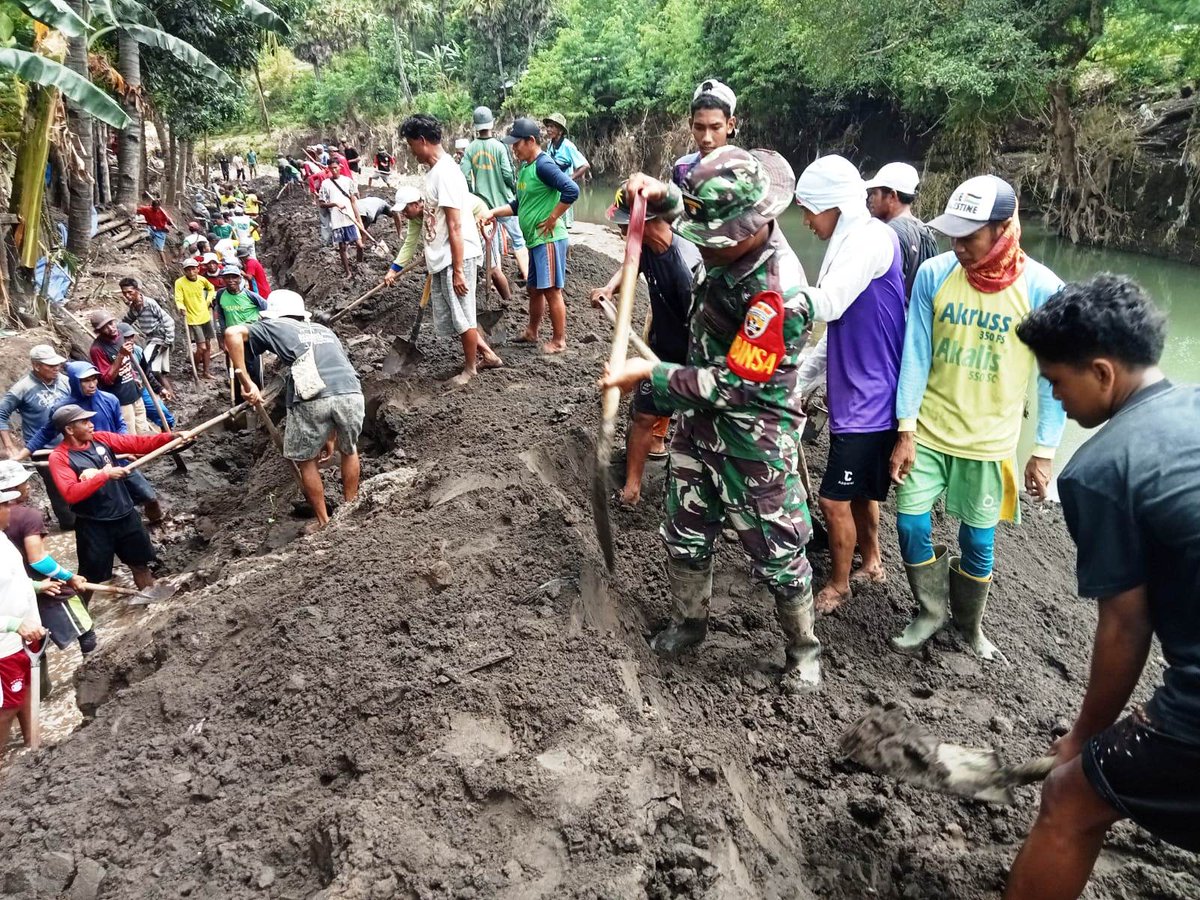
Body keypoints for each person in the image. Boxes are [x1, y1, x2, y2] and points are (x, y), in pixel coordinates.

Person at [1004, 277, 1200, 899]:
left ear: (1102, 372)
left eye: (1056, 383)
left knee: (1070, 797)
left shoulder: (1100, 469)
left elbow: (1125, 624)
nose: (1054, 398)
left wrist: (1085, 736)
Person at [599, 147, 821, 693]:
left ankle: (803, 650)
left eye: (715, 240)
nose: (703, 246)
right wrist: (659, 193)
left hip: (753, 438)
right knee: (685, 530)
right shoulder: (724, 232)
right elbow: (691, 207)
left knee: (777, 550)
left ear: (752, 226)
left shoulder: (777, 295)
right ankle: (689, 623)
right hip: (697, 428)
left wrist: (649, 376)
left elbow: (736, 386)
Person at [889, 175, 1065, 660]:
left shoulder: (1043, 289)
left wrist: (1043, 451)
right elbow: (916, 354)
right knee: (910, 524)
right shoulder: (934, 274)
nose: (958, 245)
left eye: (970, 236)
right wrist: (906, 429)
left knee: (979, 541)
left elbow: (1053, 377)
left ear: (1004, 229)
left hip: (990, 442)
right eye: (953, 234)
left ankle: (969, 626)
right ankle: (929, 611)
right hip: (929, 431)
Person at [793, 155, 907, 613]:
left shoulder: (869, 239)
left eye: (808, 210)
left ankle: (839, 584)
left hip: (870, 398)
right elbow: (835, 332)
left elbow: (830, 305)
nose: (805, 221)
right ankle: (872, 561)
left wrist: (770, 292)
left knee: (832, 498)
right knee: (859, 490)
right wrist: (802, 379)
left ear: (832, 205)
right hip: (855, 392)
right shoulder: (850, 240)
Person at [589, 191, 702, 505]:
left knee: (694, 430)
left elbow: (701, 330)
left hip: (692, 360)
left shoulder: (686, 268)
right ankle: (632, 490)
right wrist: (609, 289)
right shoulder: (646, 247)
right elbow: (631, 265)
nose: (620, 230)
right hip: (660, 349)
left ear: (648, 222)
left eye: (624, 224)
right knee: (642, 416)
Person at [224, 291, 364, 529]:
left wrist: (247, 383)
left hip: (314, 397)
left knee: (306, 461)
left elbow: (232, 333)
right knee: (349, 451)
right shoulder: (323, 330)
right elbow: (332, 381)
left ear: (274, 314)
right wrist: (330, 438)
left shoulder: (274, 325)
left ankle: (324, 522)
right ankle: (350, 512)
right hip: (351, 391)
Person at [400, 114, 504, 386]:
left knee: (464, 317)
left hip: (457, 258)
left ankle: (470, 369)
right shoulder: (436, 172)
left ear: (422, 141)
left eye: (411, 145)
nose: (412, 152)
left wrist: (458, 270)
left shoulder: (446, 173)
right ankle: (488, 355)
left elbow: (455, 225)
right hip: (444, 258)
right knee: (459, 317)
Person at [47, 405, 181, 599]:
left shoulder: (101, 439)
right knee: (88, 579)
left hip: (126, 516)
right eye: (85, 422)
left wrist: (171, 438)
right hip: (94, 525)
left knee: (140, 565)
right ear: (69, 429)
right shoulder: (59, 457)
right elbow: (70, 494)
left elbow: (137, 443)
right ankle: (79, 616)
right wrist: (104, 475)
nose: (91, 425)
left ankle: (151, 604)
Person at [22, 359, 164, 523]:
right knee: (106, 506)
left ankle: (156, 523)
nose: (92, 384)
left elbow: (120, 425)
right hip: (89, 468)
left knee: (149, 497)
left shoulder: (110, 399)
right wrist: (23, 454)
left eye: (94, 379)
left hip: (117, 460)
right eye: (86, 381)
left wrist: (124, 449)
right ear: (74, 382)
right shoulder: (63, 409)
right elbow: (46, 433)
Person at [486, 117, 580, 354]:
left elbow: (571, 190)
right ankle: (532, 332)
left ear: (530, 141)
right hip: (536, 241)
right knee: (535, 289)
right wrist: (493, 212)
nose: (514, 149)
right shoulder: (527, 168)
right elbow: (518, 205)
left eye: (517, 144)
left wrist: (553, 217)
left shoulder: (543, 165)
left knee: (552, 290)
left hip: (548, 239)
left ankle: (559, 341)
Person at [0, 460, 94, 655]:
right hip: (46, 588)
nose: (29, 486)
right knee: (85, 632)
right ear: (14, 488)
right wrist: (69, 577)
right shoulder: (28, 516)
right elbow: (39, 560)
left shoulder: (8, 520)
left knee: (30, 646)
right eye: (24, 483)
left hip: (15, 596)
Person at [0, 345, 73, 529]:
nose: (56, 368)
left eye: (57, 364)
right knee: (57, 489)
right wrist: (9, 445)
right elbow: (1, 414)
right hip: (43, 449)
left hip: (71, 443)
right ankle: (70, 526)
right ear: (36, 366)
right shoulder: (22, 388)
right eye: (50, 365)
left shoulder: (65, 381)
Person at [0, 480, 46, 767]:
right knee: (7, 706)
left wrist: (38, 587)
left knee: (26, 688)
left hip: (23, 635)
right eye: (5, 505)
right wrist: (12, 624)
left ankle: (34, 745)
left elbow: (11, 580)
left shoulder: (2, 538)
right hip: (4, 644)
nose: (10, 508)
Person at [462, 104, 529, 284]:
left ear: (475, 126)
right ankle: (526, 275)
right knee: (518, 240)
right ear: (491, 123)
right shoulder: (500, 147)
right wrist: (513, 190)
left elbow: (465, 175)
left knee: (491, 244)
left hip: (483, 206)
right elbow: (508, 174)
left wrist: (472, 195)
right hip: (504, 203)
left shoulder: (470, 148)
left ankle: (493, 281)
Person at [865, 162, 939, 302]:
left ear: (892, 196)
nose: (870, 199)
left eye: (875, 193)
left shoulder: (890, 233)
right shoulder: (926, 230)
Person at [89, 311, 149, 434]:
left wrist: (133, 377)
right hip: (120, 400)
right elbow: (107, 379)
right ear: (98, 331)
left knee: (144, 430)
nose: (111, 328)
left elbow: (128, 361)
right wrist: (120, 355)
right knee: (130, 435)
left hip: (134, 392)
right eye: (105, 327)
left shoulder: (120, 335)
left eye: (111, 323)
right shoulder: (97, 349)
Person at [672, 79, 738, 187]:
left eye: (715, 128)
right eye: (699, 128)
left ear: (730, 125)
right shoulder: (682, 168)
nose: (706, 139)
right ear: (691, 124)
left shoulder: (745, 172)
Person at [214, 266, 267, 396]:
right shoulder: (220, 294)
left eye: (234, 277)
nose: (231, 280)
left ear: (240, 278)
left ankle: (258, 396)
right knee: (235, 371)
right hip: (231, 339)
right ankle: (239, 399)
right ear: (223, 279)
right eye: (227, 277)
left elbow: (267, 308)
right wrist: (222, 338)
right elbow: (221, 316)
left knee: (253, 369)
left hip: (250, 338)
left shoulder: (250, 296)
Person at [120, 277, 176, 396]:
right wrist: (116, 330)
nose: (127, 296)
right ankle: (169, 393)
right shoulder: (134, 307)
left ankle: (151, 392)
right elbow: (127, 321)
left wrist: (168, 341)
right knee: (155, 370)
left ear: (137, 290)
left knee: (144, 362)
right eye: (124, 293)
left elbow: (168, 320)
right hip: (151, 339)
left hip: (159, 338)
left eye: (130, 292)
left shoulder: (149, 304)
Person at [542, 113, 590, 231]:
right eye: (548, 126)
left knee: (564, 223)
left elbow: (585, 165)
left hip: (563, 188)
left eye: (552, 126)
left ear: (560, 130)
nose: (548, 129)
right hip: (553, 188)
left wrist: (570, 178)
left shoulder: (568, 146)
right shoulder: (550, 145)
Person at [173, 258, 217, 380]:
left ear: (198, 269)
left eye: (193, 269)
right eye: (188, 270)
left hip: (205, 316)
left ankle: (206, 371)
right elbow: (178, 298)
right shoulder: (180, 283)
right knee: (201, 348)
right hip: (193, 318)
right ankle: (195, 369)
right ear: (184, 271)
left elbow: (211, 288)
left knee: (208, 345)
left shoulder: (202, 280)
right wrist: (181, 307)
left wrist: (208, 300)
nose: (191, 272)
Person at [318, 160, 363, 277]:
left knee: (360, 245)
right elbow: (321, 204)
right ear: (328, 169)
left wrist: (359, 220)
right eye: (331, 168)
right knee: (342, 247)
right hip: (337, 219)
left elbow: (353, 202)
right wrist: (334, 204)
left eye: (335, 167)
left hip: (350, 217)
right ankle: (348, 272)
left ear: (340, 167)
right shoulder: (325, 184)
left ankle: (360, 266)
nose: (334, 170)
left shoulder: (348, 181)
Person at [136, 199, 174, 269]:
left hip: (161, 231)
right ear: (152, 206)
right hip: (151, 228)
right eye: (155, 208)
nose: (156, 209)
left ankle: (165, 265)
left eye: (157, 208)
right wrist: (137, 216)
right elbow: (137, 210)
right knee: (145, 233)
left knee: (160, 249)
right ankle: (146, 250)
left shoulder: (163, 213)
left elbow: (169, 223)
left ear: (159, 207)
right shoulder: (147, 209)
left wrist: (170, 221)